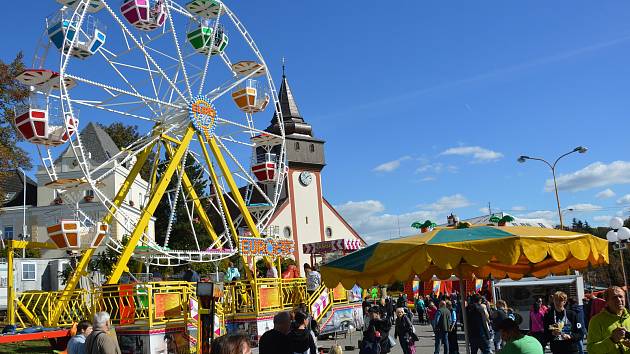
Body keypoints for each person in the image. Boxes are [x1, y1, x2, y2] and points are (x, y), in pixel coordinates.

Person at [587, 286, 630, 354]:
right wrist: (612, 340)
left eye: (621, 296)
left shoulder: (629, 317)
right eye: (614, 297)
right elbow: (591, 350)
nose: (618, 300)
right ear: (607, 301)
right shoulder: (596, 321)